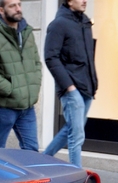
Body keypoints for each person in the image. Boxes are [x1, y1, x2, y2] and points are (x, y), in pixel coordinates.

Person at [0, 0, 42, 151]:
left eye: (19, 4)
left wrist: (34, 86)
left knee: (32, 151)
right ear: (1, 10)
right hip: (2, 107)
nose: (18, 9)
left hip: (27, 107)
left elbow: (36, 63)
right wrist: (11, 90)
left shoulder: (27, 32)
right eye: (12, 6)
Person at [43, 0, 97, 167]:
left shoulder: (85, 23)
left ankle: (42, 160)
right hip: (71, 88)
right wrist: (69, 87)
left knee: (70, 130)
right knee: (76, 134)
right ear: (69, 1)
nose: (84, 1)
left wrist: (93, 82)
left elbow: (88, 57)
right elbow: (50, 57)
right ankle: (77, 177)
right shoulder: (59, 24)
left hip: (86, 87)